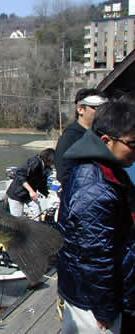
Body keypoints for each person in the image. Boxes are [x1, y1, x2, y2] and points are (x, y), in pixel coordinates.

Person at [57, 101, 135, 333]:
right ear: (105, 141)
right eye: (132, 144)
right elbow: (93, 256)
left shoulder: (110, 168)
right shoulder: (93, 185)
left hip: (109, 292)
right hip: (93, 305)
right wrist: (105, 309)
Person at [55, 88, 108, 188]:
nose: (102, 112)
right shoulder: (69, 138)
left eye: (104, 108)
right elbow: (63, 174)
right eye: (97, 108)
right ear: (80, 109)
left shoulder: (103, 136)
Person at [6, 148, 55, 218]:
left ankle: (36, 227)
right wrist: (31, 191)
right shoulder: (34, 162)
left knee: (37, 211)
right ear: (48, 159)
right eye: (52, 161)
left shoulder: (46, 168)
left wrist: (48, 194)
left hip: (28, 195)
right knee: (17, 219)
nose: (53, 163)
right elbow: (20, 175)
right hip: (16, 194)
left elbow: (42, 184)